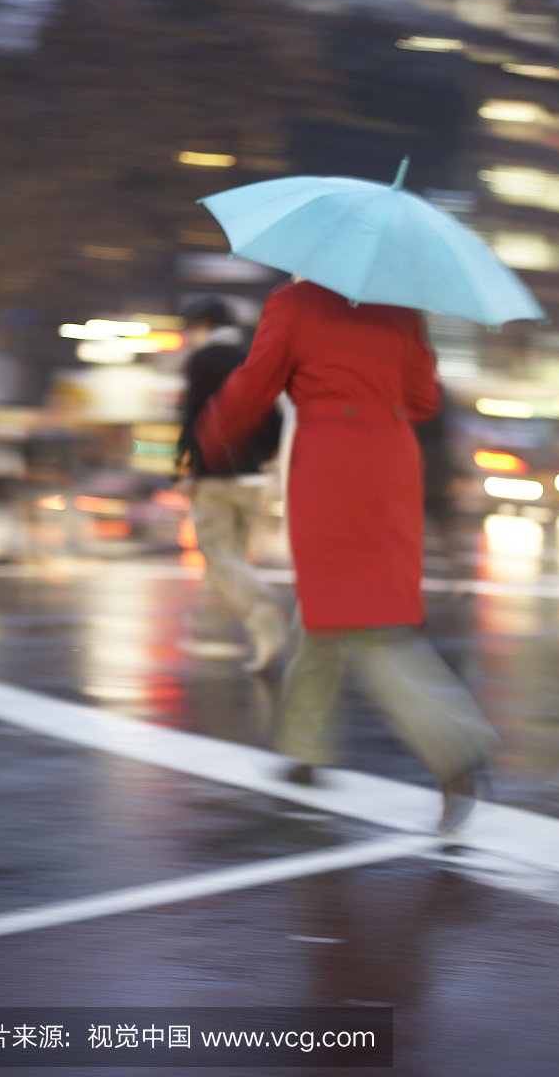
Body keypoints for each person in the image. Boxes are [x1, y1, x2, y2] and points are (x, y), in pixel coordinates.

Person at [199, 279, 498, 833]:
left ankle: (453, 743)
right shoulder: (402, 306)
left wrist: (215, 430)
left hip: (332, 460)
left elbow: (256, 384)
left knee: (364, 619)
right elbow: (423, 398)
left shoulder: (294, 303)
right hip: (390, 459)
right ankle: (304, 747)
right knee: (329, 603)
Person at [176, 293, 287, 671]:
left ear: (203, 325)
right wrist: (264, 456)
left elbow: (192, 416)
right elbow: (274, 416)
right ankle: (228, 632)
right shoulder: (250, 357)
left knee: (217, 555)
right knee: (234, 555)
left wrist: (183, 466)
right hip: (252, 477)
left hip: (215, 474)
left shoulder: (203, 361)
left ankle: (260, 610)